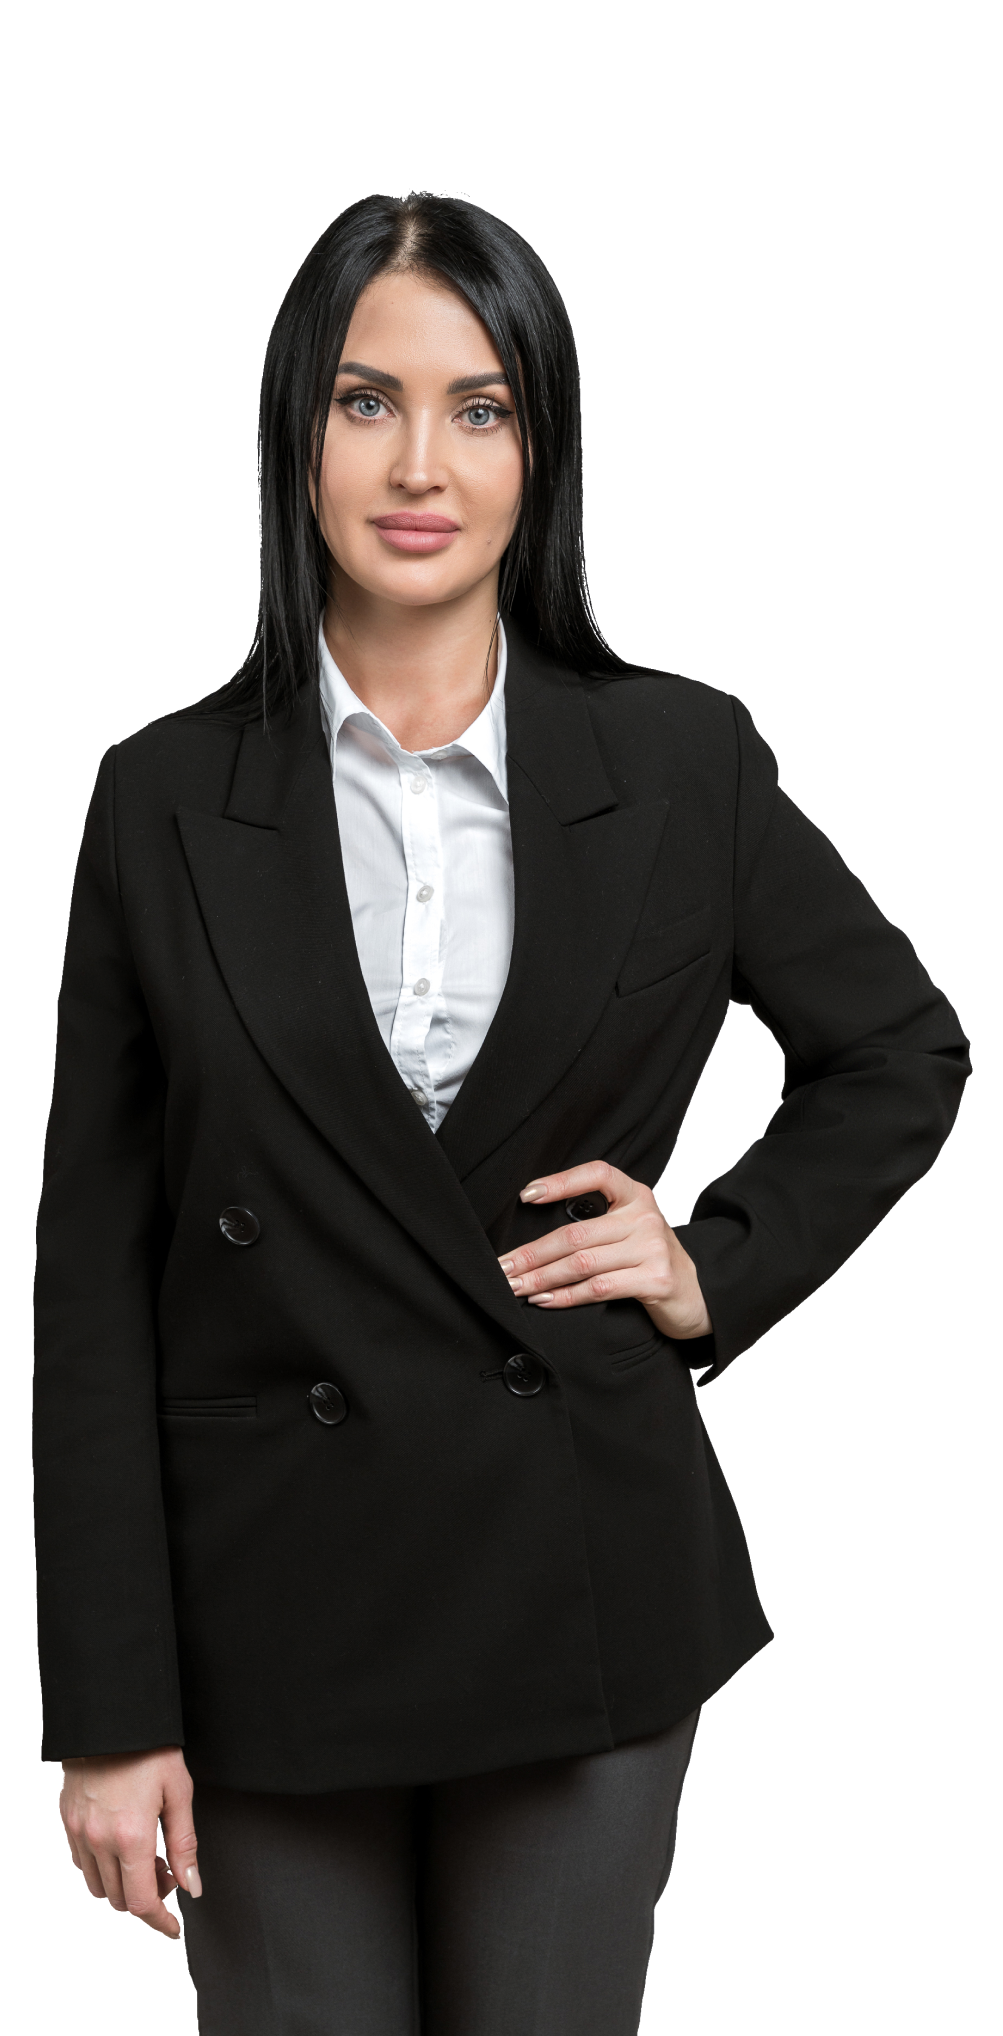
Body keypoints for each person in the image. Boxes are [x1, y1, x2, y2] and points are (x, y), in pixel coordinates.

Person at [34, 192, 971, 2034]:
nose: (420, 465)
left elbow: (898, 1048)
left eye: (480, 408)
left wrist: (709, 1262)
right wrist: (108, 1711)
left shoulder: (680, 755)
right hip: (263, 1619)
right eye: (365, 401)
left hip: (583, 1586)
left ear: (541, 448)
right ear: (294, 431)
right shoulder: (158, 793)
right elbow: (88, 1278)